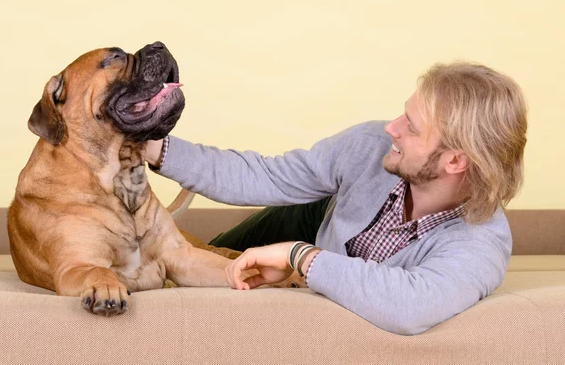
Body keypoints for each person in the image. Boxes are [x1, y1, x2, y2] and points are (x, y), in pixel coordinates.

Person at [146, 62, 527, 335]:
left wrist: (300, 257)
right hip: (313, 214)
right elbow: (267, 175)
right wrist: (156, 149)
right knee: (194, 271)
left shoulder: (481, 243)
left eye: (411, 128)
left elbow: (411, 305)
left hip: (310, 248)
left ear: (456, 160)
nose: (391, 128)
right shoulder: (370, 146)